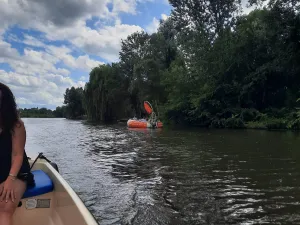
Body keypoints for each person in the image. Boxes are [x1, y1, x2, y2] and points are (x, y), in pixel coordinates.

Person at [0, 82, 34, 225]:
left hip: (15, 173)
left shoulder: (16, 125)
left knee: (5, 206)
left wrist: (9, 180)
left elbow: (17, 155)